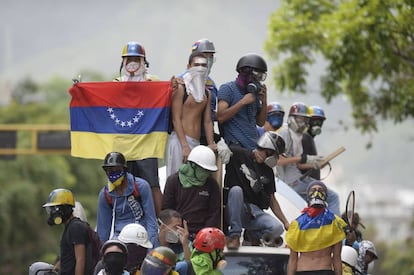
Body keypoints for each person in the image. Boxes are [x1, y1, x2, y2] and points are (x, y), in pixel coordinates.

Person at [114, 41, 163, 216]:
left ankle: (159, 221)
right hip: (125, 142)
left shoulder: (153, 81)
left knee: (152, 183)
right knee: (124, 183)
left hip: (147, 140)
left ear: (143, 61)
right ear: (123, 62)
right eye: (128, 59)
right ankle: (125, 217)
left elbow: (167, 93)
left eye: (136, 59)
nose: (132, 63)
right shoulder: (116, 83)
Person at [224, 131, 290, 249]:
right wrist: (217, 146)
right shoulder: (238, 154)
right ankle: (235, 235)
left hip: (253, 212)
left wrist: (285, 222)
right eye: (272, 155)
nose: (273, 158)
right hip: (234, 206)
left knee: (277, 228)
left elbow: (272, 200)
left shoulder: (268, 171)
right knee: (236, 190)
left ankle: (253, 235)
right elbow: (221, 150)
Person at [276, 102, 341, 215]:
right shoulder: (285, 133)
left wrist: (314, 163)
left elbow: (299, 165)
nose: (304, 123)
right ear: (292, 118)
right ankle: (337, 228)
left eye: (306, 120)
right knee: (333, 197)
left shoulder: (297, 136)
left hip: (299, 179)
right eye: (301, 119)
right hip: (291, 183)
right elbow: (278, 161)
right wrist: (302, 158)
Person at [166, 51, 216, 177]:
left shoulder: (207, 93)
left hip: (197, 143)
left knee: (194, 181)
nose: (200, 68)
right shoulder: (182, 88)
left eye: (204, 65)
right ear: (188, 67)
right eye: (196, 64)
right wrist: (184, 146)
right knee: (176, 180)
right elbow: (176, 119)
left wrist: (211, 144)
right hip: (179, 141)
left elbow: (207, 121)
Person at [96, 152, 159, 247]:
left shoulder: (141, 186)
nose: (113, 172)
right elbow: (103, 230)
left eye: (117, 169)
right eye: (109, 170)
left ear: (124, 170)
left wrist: (150, 248)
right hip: (120, 237)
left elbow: (151, 221)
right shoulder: (105, 194)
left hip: (142, 235)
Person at [286, 180, 347, 275]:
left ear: (326, 196)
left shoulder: (334, 222)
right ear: (307, 195)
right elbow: (293, 259)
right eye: (313, 190)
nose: (317, 192)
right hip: (303, 271)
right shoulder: (297, 224)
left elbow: (337, 258)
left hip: (325, 271)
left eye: (320, 190)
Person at [162, 145, 221, 240]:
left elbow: (214, 213)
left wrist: (205, 235)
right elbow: (167, 210)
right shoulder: (173, 181)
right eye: (203, 170)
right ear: (193, 165)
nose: (206, 174)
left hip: (203, 235)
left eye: (208, 171)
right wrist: (178, 232)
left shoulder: (212, 185)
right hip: (178, 233)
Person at [217, 53, 268, 151]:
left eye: (261, 77)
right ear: (245, 73)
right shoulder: (227, 89)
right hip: (236, 147)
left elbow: (261, 123)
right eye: (257, 76)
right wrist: (242, 102)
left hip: (253, 147)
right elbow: (220, 117)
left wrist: (264, 101)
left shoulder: (254, 94)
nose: (258, 80)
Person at [42, 188, 93, 275]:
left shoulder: (76, 227)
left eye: (54, 209)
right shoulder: (69, 227)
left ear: (63, 208)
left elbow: (80, 259)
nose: (52, 213)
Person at [300, 105, 326, 180]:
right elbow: (298, 164)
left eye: (320, 122)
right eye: (314, 121)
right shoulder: (304, 138)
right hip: (307, 183)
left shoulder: (309, 138)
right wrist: (316, 165)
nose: (317, 124)